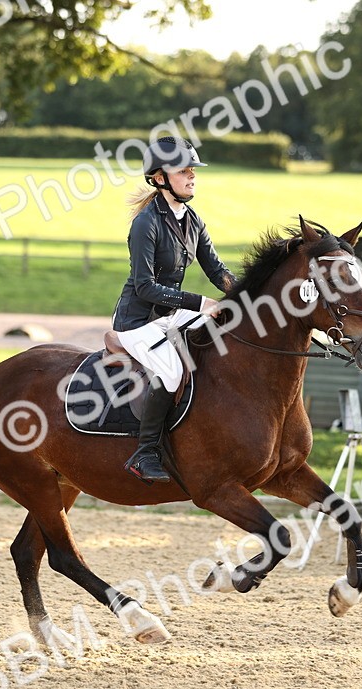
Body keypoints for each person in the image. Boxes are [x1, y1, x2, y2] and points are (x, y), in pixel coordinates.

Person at [113, 136, 235, 484]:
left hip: (169, 314)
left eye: (192, 170)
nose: (192, 176)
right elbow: (145, 287)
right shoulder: (145, 224)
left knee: (226, 329)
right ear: (160, 178)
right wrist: (200, 303)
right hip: (138, 321)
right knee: (170, 373)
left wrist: (248, 292)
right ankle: (145, 451)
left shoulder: (192, 219)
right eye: (183, 171)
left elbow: (217, 270)